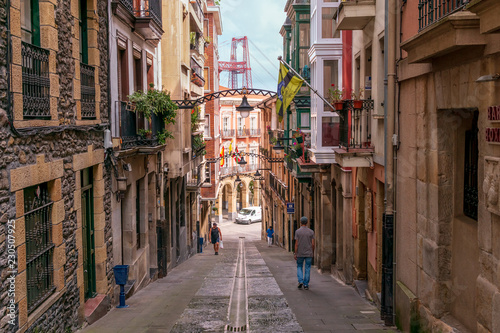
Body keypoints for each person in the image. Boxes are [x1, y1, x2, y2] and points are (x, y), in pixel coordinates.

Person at [294, 216, 315, 290]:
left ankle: (300, 281)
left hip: (300, 253)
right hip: (309, 253)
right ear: (307, 222)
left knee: (299, 266)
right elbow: (313, 244)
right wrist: (312, 252)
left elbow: (296, 244)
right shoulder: (311, 232)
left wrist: (295, 253)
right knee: (307, 268)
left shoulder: (297, 232)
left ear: (300, 222)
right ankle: (306, 284)